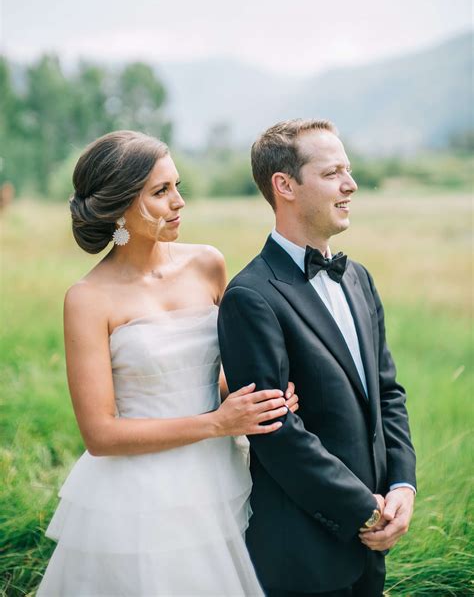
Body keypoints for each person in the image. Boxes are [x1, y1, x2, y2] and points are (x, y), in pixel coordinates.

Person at [37, 130, 300, 597]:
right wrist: (217, 423)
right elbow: (100, 435)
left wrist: (261, 398)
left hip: (221, 478)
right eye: (161, 192)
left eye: (177, 186)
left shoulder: (207, 264)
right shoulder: (87, 299)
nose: (179, 202)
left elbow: (216, 376)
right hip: (138, 497)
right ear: (119, 204)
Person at [218, 119, 416, 597]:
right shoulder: (251, 295)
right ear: (284, 186)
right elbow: (276, 433)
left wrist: (402, 488)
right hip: (304, 552)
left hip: (373, 542)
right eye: (332, 174)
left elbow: (387, 391)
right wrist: (361, 508)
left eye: (347, 171)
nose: (350, 185)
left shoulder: (359, 278)